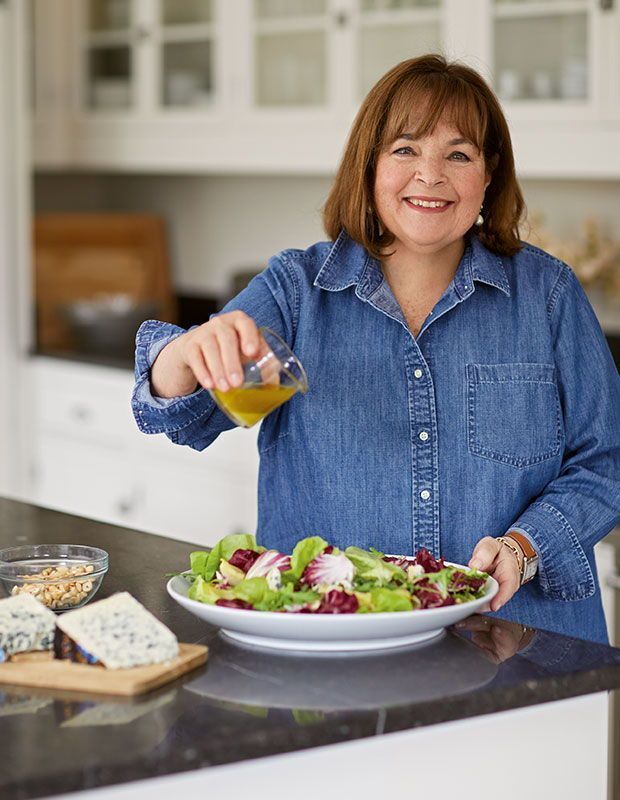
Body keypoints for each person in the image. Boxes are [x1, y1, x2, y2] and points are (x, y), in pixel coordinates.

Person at [132, 54, 620, 644]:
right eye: (405, 149)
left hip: (521, 645)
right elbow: (191, 412)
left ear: (489, 175)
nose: (431, 175)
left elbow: (605, 463)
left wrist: (525, 547)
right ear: (369, 167)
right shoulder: (297, 295)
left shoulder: (547, 297)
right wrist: (186, 352)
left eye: (459, 155)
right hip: (332, 652)